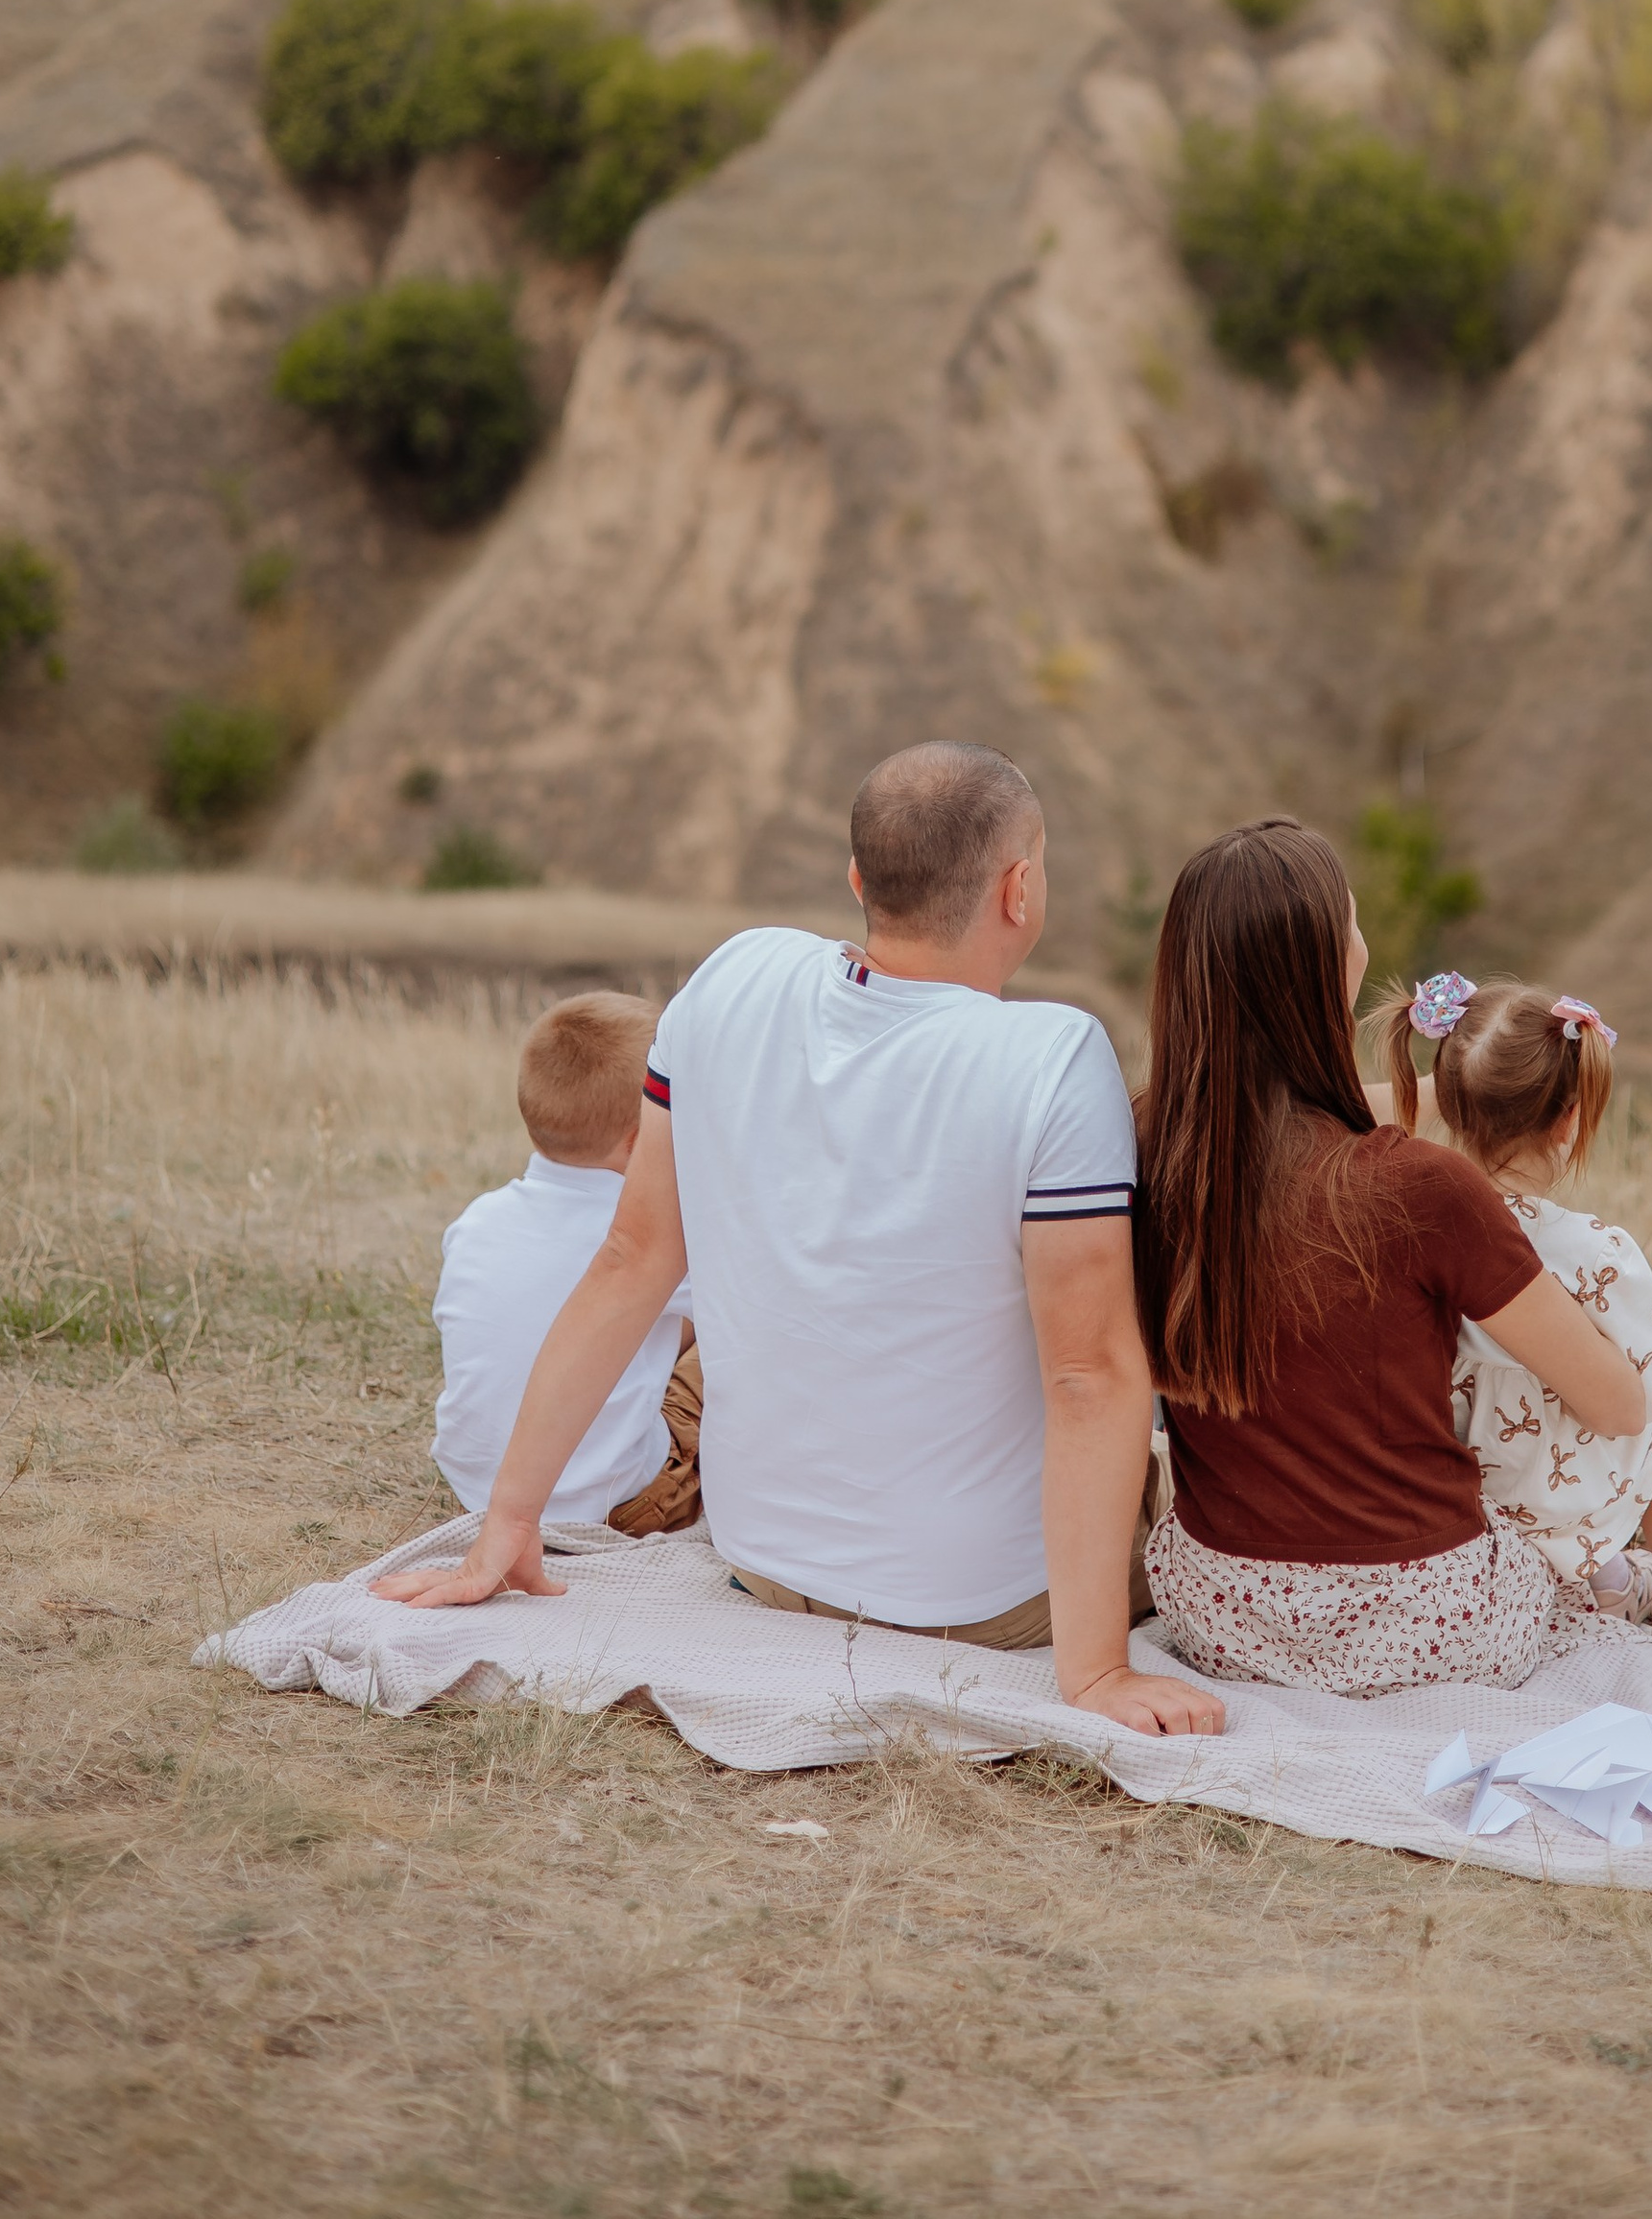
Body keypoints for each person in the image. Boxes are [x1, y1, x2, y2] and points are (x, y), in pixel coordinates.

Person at [377, 742, 1223, 1742]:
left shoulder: (731, 978)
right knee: (1185, 1470)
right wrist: (1093, 1675)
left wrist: (507, 1526)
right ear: (1020, 888)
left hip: (767, 1567)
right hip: (983, 1603)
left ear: (859, 879)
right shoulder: (1054, 1056)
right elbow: (1088, 1376)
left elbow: (632, 1260)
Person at [1132, 818, 1652, 1699]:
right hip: (1423, 1628)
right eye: (1354, 923)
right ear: (1325, 969)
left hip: (1218, 1616)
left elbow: (1301, 1114)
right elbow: (1616, 1404)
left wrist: (1452, 1100)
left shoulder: (1143, 1146)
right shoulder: (1427, 1190)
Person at [1380, 970, 1652, 1655]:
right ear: (1570, 1118)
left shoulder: (1409, 1226)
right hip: (1551, 1492)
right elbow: (1638, 1397)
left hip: (1460, 1483)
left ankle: (1612, 1580)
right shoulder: (1594, 1253)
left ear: (1442, 1104)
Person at [429, 990, 706, 1540]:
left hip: (478, 1494)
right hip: (620, 1503)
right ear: (640, 1141)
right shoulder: (657, 1237)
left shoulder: (478, 1220)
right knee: (717, 1351)